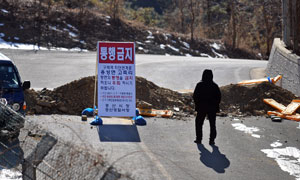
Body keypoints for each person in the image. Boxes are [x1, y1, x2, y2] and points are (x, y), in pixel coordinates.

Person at [193, 69, 221, 145]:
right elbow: (218, 97)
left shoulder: (199, 85)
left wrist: (197, 104)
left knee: (199, 123)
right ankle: (211, 140)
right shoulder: (215, 86)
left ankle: (199, 139)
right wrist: (215, 105)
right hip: (212, 108)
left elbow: (195, 96)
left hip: (201, 107)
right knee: (212, 124)